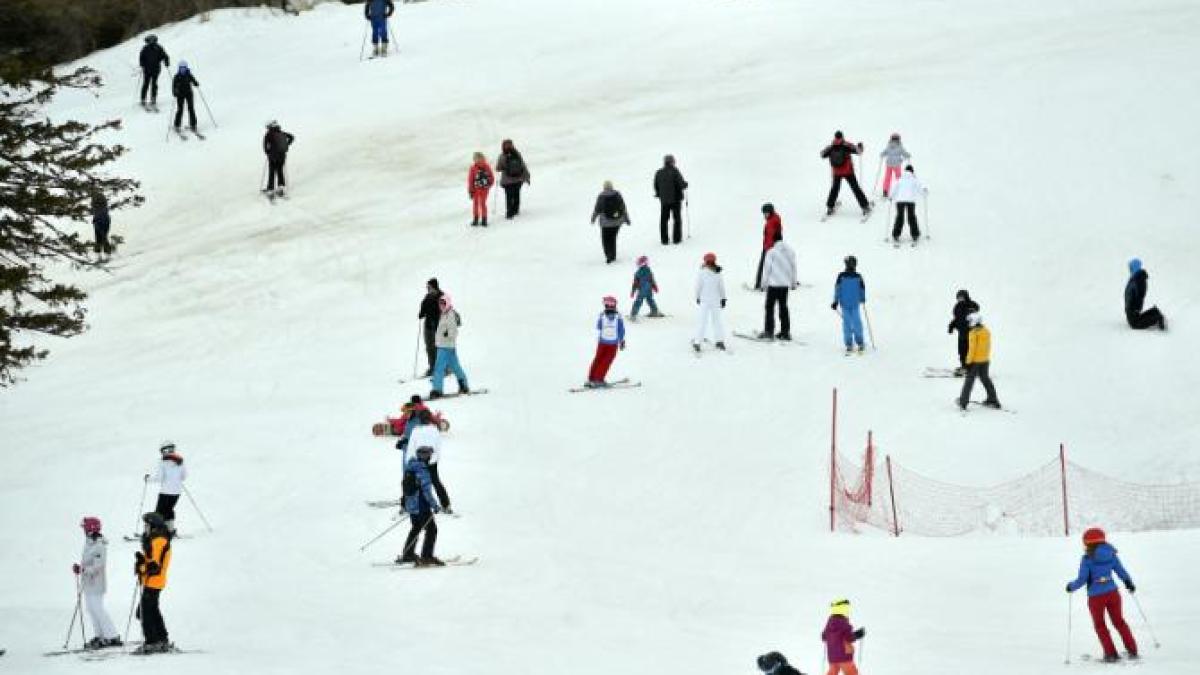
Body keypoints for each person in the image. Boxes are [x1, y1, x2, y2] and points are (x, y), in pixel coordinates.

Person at [1066, 528, 1139, 662]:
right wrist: (1128, 582)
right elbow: (1121, 571)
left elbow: (1082, 579)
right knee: (1119, 622)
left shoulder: (1087, 559)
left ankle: (1111, 654)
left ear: (1087, 543)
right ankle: (1132, 650)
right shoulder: (1112, 554)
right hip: (1113, 593)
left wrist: (1071, 586)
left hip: (1096, 597)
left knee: (1100, 625)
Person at [75, 517, 122, 649]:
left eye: (85, 527)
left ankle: (112, 636)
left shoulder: (99, 546)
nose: (83, 530)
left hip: (96, 583)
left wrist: (83, 569)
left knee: (98, 609)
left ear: (91, 529)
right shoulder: (89, 543)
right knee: (91, 609)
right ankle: (100, 636)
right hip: (87, 582)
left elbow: (98, 566)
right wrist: (80, 569)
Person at [398, 446, 443, 566]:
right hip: (422, 506)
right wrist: (435, 505)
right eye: (429, 455)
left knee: (416, 528)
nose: (430, 458)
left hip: (412, 505)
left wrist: (405, 504)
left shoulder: (410, 468)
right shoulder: (422, 470)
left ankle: (408, 554)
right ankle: (427, 556)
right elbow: (426, 491)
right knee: (432, 530)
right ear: (425, 456)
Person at [134, 512, 173, 654]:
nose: (145, 528)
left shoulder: (159, 541)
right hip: (152, 581)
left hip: (154, 581)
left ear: (153, 526)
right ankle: (162, 639)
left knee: (145, 612)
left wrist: (142, 567)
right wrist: (141, 561)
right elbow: (150, 561)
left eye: (147, 525)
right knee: (151, 610)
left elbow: (154, 566)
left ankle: (152, 641)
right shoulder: (154, 540)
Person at [407, 409, 452, 513]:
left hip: (417, 461)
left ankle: (408, 505)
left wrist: (410, 461)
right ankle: (446, 505)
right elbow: (438, 447)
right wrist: (433, 460)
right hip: (431, 461)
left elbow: (411, 447)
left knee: (412, 481)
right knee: (435, 481)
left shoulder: (416, 430)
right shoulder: (434, 430)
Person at [820, 131, 871, 218]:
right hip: (848, 172)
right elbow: (859, 151)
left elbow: (822, 154)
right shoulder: (846, 145)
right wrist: (860, 147)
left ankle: (830, 207)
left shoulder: (831, 146)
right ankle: (865, 206)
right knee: (855, 188)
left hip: (837, 173)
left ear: (835, 137)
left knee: (835, 189)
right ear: (842, 137)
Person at [956, 312, 1000, 410]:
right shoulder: (986, 330)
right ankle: (993, 399)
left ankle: (963, 402)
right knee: (986, 379)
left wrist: (968, 362)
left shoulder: (973, 333)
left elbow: (972, 349)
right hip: (985, 360)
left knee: (969, 381)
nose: (969, 323)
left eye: (970, 321)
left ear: (975, 321)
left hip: (975, 362)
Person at [429, 294, 469, 399]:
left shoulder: (450, 315)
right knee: (455, 367)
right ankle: (463, 385)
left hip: (445, 347)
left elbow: (454, 331)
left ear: (448, 303)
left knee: (438, 368)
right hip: (447, 346)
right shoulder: (445, 314)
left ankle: (437, 390)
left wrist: (447, 334)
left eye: (443, 303)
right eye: (440, 304)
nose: (441, 306)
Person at [759, 236, 797, 341]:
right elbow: (794, 268)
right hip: (784, 285)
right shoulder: (791, 251)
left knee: (769, 308)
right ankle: (785, 332)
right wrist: (793, 283)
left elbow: (766, 269)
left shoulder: (771, 252)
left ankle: (769, 331)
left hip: (773, 285)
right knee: (783, 307)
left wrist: (763, 284)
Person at [145, 441, 187, 534]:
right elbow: (184, 476)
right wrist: (176, 478)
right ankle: (170, 530)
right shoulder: (180, 461)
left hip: (166, 492)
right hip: (176, 492)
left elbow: (159, 477)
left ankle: (153, 531)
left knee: (159, 512)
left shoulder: (163, 462)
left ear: (164, 451)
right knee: (169, 510)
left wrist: (148, 479)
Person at [586, 296, 626, 387]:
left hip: (602, 342)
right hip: (613, 343)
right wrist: (622, 341)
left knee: (598, 358)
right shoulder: (618, 317)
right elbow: (621, 330)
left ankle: (592, 377)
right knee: (606, 360)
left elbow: (599, 326)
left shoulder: (602, 315)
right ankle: (598, 379)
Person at [831, 256, 866, 354]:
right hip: (845, 304)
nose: (851, 266)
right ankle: (849, 343)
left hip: (855, 303)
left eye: (852, 264)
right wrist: (835, 301)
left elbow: (862, 288)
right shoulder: (841, 276)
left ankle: (860, 342)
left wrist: (862, 298)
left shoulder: (858, 276)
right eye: (849, 264)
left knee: (857, 323)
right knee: (847, 324)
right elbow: (837, 289)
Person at [693, 252, 727, 352]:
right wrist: (723, 298)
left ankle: (697, 342)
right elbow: (721, 287)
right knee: (717, 321)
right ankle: (720, 341)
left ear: (705, 261)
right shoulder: (718, 272)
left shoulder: (702, 272)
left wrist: (697, 297)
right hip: (715, 300)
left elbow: (698, 286)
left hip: (705, 300)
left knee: (702, 321)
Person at [821, 599, 865, 675]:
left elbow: (824, 637)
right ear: (843, 609)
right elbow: (849, 638)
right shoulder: (844, 623)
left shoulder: (829, 623)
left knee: (832, 672)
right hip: (844, 656)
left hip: (832, 657)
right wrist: (858, 634)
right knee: (852, 673)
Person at [591, 180, 630, 263]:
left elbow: (597, 209)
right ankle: (613, 255)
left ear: (604, 187)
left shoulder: (601, 196)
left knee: (605, 240)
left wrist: (593, 218)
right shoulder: (617, 194)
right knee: (612, 238)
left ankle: (609, 256)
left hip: (606, 223)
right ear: (612, 186)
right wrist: (627, 219)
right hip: (617, 222)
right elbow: (623, 207)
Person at [653, 154, 688, 245]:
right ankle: (676, 239)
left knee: (664, 219)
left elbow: (656, 185)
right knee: (677, 219)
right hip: (676, 199)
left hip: (664, 200)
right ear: (672, 162)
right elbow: (681, 184)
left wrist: (659, 194)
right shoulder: (675, 171)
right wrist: (685, 184)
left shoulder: (659, 172)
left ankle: (664, 240)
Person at [1124, 258, 1166, 330]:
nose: (1129, 269)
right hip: (1130, 307)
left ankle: (1157, 318)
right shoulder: (1135, 277)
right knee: (1135, 322)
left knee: (1135, 324)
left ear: (1135, 267)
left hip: (1133, 308)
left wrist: (1136, 308)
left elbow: (1140, 295)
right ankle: (1154, 312)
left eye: (1131, 267)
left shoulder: (1139, 279)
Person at [495, 139, 530, 219]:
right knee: (516, 195)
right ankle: (516, 210)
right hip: (518, 179)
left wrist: (499, 168)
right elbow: (523, 165)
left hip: (507, 181)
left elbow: (498, 168)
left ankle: (509, 213)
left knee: (509, 196)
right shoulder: (517, 154)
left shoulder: (502, 155)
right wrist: (527, 176)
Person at [889, 165, 926, 243]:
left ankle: (896, 234)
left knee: (900, 216)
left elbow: (894, 189)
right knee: (911, 216)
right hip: (910, 200)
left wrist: (891, 196)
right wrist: (925, 192)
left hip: (900, 201)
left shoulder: (900, 179)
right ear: (912, 171)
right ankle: (915, 234)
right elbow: (921, 189)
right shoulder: (914, 180)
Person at [947, 290, 979, 375]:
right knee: (961, 351)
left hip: (971, 333)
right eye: (958, 297)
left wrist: (971, 309)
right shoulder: (957, 307)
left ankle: (972, 368)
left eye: (962, 297)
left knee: (970, 351)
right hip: (961, 333)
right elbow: (957, 319)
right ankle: (964, 367)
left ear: (966, 296)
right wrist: (951, 326)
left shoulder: (970, 304)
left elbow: (976, 309)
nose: (960, 299)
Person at [418, 278, 444, 376]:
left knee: (439, 347)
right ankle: (432, 367)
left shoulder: (442, 296)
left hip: (439, 325)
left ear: (434, 287)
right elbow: (423, 308)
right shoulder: (427, 297)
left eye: (429, 287)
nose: (427, 289)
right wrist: (421, 313)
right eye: (427, 287)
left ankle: (442, 368)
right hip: (428, 325)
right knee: (429, 347)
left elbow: (446, 310)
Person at [263, 121, 295, 198]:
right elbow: (292, 137)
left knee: (272, 172)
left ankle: (270, 190)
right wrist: (287, 144)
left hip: (273, 156)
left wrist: (268, 153)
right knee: (280, 171)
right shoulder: (281, 133)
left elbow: (265, 146)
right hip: (282, 156)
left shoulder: (269, 134)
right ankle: (281, 188)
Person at [754, 203, 783, 290]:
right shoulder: (775, 217)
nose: (765, 215)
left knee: (763, 265)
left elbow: (770, 235)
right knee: (780, 264)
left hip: (770, 246)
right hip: (777, 245)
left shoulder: (771, 222)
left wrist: (768, 249)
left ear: (771, 212)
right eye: (764, 213)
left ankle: (759, 284)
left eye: (766, 213)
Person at [138, 35, 169, 108]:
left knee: (154, 84)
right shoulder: (145, 48)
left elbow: (165, 55)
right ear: (147, 41)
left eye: (153, 40)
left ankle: (153, 99)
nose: (151, 41)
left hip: (156, 69)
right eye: (150, 40)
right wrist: (142, 64)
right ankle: (143, 99)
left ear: (155, 40)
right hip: (147, 69)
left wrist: (166, 61)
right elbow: (141, 57)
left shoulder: (158, 48)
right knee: (146, 84)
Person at [629, 256, 663, 320]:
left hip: (642, 289)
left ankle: (633, 314)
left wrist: (633, 292)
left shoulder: (638, 273)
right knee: (650, 300)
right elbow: (652, 280)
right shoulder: (649, 271)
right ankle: (654, 311)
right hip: (649, 289)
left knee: (639, 301)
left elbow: (635, 283)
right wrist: (655, 287)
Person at [878, 132, 911, 198]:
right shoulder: (900, 146)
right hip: (896, 165)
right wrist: (907, 155)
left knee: (887, 178)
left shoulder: (889, 146)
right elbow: (904, 153)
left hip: (889, 165)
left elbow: (885, 152)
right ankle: (899, 190)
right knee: (898, 178)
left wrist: (882, 154)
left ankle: (885, 191)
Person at [170, 62, 199, 133]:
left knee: (191, 108)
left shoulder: (189, 75)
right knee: (180, 109)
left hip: (189, 93)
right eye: (181, 68)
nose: (182, 70)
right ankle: (177, 125)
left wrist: (196, 83)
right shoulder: (176, 76)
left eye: (184, 68)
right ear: (179, 69)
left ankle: (193, 125)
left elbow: (193, 80)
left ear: (186, 68)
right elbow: (173, 86)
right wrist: (175, 92)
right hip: (180, 94)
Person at [468, 152, 495, 227]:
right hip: (480, 189)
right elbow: (470, 180)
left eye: (477, 158)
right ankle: (480, 219)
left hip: (481, 189)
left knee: (479, 204)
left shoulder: (476, 167)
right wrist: (488, 185)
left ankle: (480, 220)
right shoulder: (483, 166)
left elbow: (470, 180)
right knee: (479, 204)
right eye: (475, 158)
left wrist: (471, 190)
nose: (476, 160)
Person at [91, 192, 112, 257]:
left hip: (99, 220)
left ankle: (100, 254)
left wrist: (95, 221)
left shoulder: (96, 202)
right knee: (103, 236)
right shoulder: (103, 203)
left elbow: (95, 211)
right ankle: (106, 253)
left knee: (99, 237)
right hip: (105, 220)